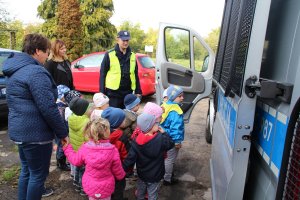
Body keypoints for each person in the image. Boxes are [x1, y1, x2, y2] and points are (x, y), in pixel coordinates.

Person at [2, 33, 69, 199]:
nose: (47, 56)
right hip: (35, 134)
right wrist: (62, 133)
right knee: (37, 175)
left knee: (27, 171)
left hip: (20, 131)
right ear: (37, 51)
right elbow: (48, 108)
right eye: (46, 51)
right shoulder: (36, 72)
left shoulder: (16, 70)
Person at [62, 118, 126, 200]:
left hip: (90, 184)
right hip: (106, 186)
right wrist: (121, 176)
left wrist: (67, 147)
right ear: (107, 132)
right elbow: (118, 171)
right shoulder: (113, 150)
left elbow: (75, 160)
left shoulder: (85, 148)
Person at [123, 113, 174, 200]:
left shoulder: (136, 141)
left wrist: (123, 169)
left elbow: (130, 159)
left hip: (142, 174)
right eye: (155, 123)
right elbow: (171, 144)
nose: (157, 124)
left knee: (140, 192)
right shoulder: (161, 138)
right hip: (156, 175)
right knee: (152, 194)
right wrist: (165, 133)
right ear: (150, 127)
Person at [100, 30, 142, 109]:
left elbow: (135, 74)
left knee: (126, 116)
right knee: (115, 116)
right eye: (123, 40)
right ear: (117, 40)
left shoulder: (132, 55)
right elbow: (102, 74)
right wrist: (102, 92)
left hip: (128, 92)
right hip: (113, 93)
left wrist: (138, 91)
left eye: (127, 40)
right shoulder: (109, 54)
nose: (125, 43)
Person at [101, 107, 130, 200]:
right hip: (119, 168)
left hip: (104, 169)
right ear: (117, 122)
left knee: (107, 188)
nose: (125, 120)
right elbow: (126, 155)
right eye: (123, 119)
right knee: (119, 188)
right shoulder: (122, 137)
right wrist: (126, 169)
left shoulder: (99, 134)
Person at [68, 97, 94, 196]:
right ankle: (83, 188)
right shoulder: (86, 123)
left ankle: (77, 183)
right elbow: (88, 139)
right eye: (89, 108)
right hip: (85, 152)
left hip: (76, 149)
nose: (91, 110)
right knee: (84, 171)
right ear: (83, 111)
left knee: (78, 167)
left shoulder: (72, 118)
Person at [160, 85, 185, 186]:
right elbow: (176, 128)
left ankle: (163, 173)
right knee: (170, 159)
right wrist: (177, 142)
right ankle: (167, 179)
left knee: (164, 157)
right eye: (180, 96)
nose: (182, 98)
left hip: (162, 137)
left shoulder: (165, 105)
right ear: (173, 97)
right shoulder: (175, 111)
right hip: (171, 139)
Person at [56, 84, 71, 171]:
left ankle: (60, 161)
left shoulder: (60, 104)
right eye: (66, 95)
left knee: (60, 145)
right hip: (62, 130)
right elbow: (62, 121)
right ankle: (61, 163)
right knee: (62, 146)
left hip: (59, 130)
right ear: (62, 96)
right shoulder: (61, 107)